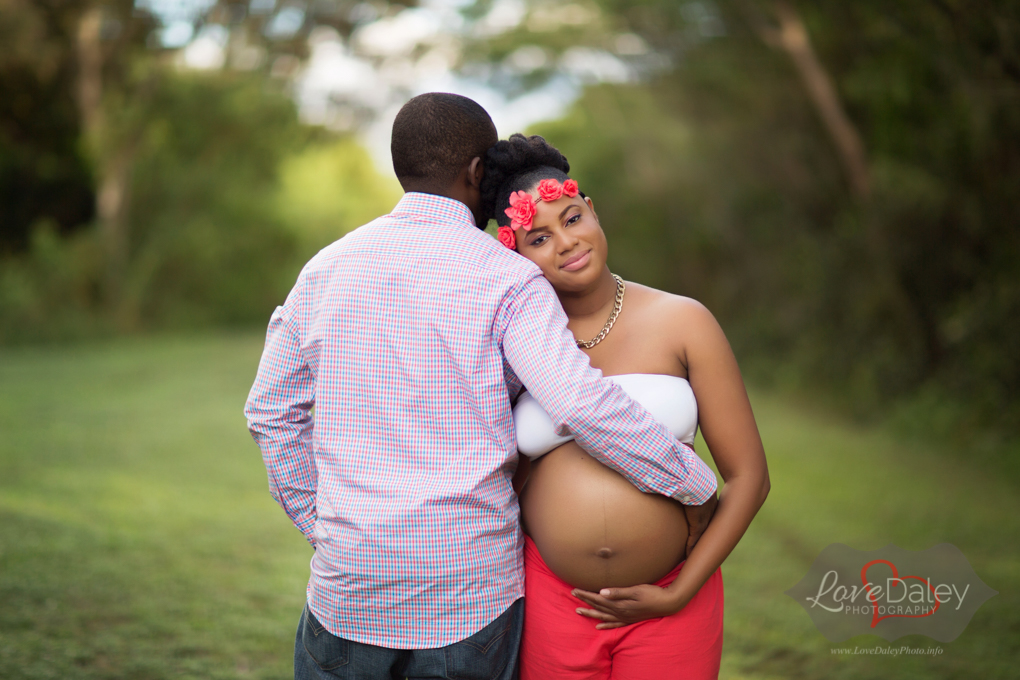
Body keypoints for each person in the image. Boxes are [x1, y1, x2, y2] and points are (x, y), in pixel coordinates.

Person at [244, 93, 719, 680]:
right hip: (468, 595)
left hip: (350, 585)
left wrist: (327, 528)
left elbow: (271, 412)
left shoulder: (325, 270)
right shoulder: (509, 279)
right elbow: (576, 403)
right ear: (476, 173)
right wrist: (692, 484)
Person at [481, 133, 771, 679]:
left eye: (571, 219)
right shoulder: (511, 342)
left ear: (591, 210)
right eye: (538, 237)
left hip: (673, 599)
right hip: (550, 597)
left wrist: (680, 591)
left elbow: (749, 477)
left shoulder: (683, 321)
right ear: (513, 252)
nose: (565, 243)